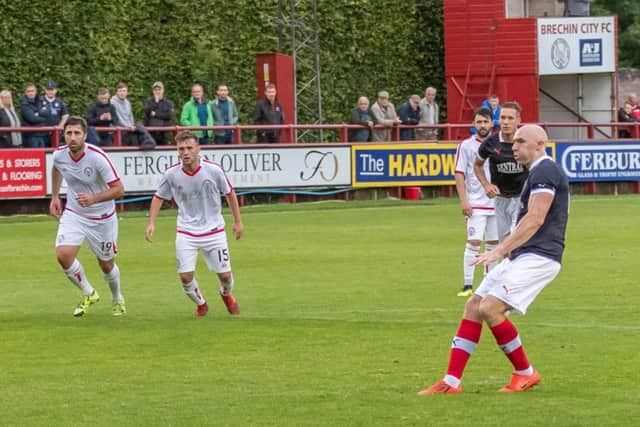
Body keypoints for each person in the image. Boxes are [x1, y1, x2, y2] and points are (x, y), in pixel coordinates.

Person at [419, 124, 569, 395]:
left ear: (540, 144)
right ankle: (451, 382)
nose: (515, 146)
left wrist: (499, 250)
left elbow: (535, 218)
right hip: (522, 253)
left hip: (540, 255)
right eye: (514, 143)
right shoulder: (535, 172)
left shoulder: (545, 170)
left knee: (490, 308)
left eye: (522, 141)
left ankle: (525, 372)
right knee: (474, 306)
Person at [145, 130, 244, 317]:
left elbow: (230, 194)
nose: (185, 152)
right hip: (186, 231)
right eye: (181, 149)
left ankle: (226, 294)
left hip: (214, 230)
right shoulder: (172, 174)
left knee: (225, 276)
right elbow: (158, 197)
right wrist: (151, 222)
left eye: (189, 148)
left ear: (199, 149)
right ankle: (201, 304)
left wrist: (237, 222)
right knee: (185, 276)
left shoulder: (213, 170)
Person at [49, 116, 126, 317]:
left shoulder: (97, 157)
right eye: (69, 133)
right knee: (63, 255)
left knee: (107, 264)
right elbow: (57, 168)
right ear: (63, 134)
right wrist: (55, 195)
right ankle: (89, 292)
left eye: (77, 133)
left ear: (84, 135)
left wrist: (94, 198)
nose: (72, 137)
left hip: (102, 218)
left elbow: (119, 190)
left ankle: (117, 297)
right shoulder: (59, 155)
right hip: (75, 213)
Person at [454, 108, 498, 297]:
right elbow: (459, 173)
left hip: (497, 203)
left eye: (485, 122)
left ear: (491, 124)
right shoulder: (466, 146)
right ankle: (467, 285)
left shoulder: (499, 144)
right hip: (476, 203)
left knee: (494, 244)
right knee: (473, 242)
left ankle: (487, 285)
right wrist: (464, 201)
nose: (482, 125)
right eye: (479, 122)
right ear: (474, 124)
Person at [473, 101, 527, 242]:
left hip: (522, 198)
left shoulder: (526, 141)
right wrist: (486, 185)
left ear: (518, 120)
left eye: (510, 118)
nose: (506, 122)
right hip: (500, 199)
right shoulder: (490, 143)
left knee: (516, 241)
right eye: (503, 118)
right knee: (504, 244)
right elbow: (477, 165)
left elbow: (540, 165)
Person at [39, 80, 70, 147]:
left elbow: (65, 116)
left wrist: (59, 127)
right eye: (48, 89)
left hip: (56, 134)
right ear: (45, 90)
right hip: (42, 133)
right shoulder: (39, 101)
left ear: (56, 90)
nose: (50, 91)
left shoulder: (60, 102)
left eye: (52, 89)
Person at [143, 81, 175, 145]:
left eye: (159, 89)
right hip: (151, 134)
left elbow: (169, 116)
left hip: (164, 134)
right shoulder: (149, 101)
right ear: (153, 91)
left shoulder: (168, 103)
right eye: (155, 90)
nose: (157, 91)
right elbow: (147, 112)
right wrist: (156, 102)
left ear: (163, 90)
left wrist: (155, 114)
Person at [19, 82, 47, 148]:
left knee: (42, 156)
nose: (31, 93)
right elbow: (32, 119)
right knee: (33, 157)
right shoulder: (24, 104)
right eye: (28, 91)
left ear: (36, 92)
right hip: (30, 136)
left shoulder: (40, 100)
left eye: (32, 91)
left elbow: (48, 112)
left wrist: (38, 114)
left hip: (41, 134)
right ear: (25, 93)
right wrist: (43, 117)